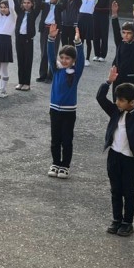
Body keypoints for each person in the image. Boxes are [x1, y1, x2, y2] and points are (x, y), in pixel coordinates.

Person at [97, 66, 134, 236]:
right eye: (117, 99)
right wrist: (108, 82)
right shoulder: (115, 111)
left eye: (121, 100)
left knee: (128, 192)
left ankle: (127, 222)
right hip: (114, 156)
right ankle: (116, 219)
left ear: (132, 102)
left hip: (129, 159)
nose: (117, 102)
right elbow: (100, 98)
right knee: (115, 190)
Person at [47, 26, 84, 179]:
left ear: (73, 60)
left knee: (67, 140)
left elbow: (81, 60)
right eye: (62, 57)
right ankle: (55, 163)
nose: (64, 60)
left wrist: (78, 42)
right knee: (55, 139)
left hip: (69, 112)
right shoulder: (56, 70)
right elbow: (50, 55)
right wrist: (51, 39)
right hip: (54, 110)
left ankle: (65, 166)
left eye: (67, 58)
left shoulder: (76, 73)